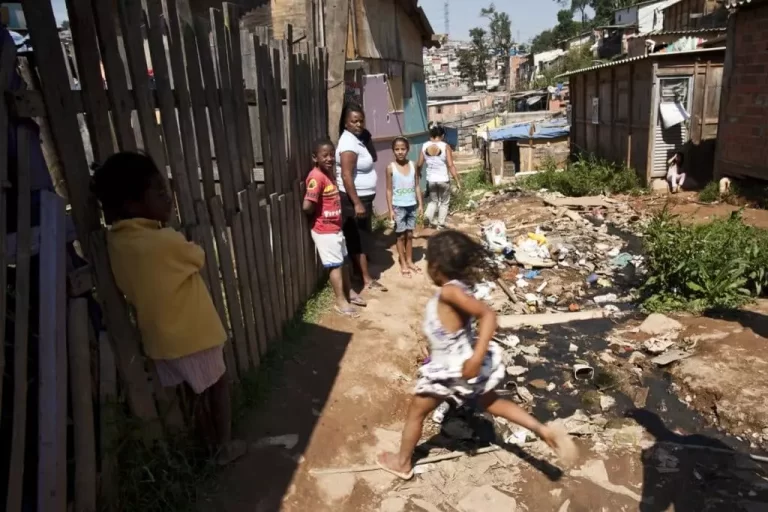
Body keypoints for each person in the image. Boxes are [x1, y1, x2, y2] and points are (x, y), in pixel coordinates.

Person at [377, 230, 576, 479]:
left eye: (428, 262)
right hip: (459, 365)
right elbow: (454, 328)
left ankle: (402, 462)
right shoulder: (460, 289)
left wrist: (476, 357)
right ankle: (541, 429)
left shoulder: (450, 292)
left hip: (449, 370)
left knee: (416, 414)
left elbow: (489, 316)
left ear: (437, 266)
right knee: (492, 403)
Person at [91, 151, 245, 465]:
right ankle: (223, 446)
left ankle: (205, 442)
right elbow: (198, 257)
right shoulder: (164, 240)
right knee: (218, 385)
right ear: (134, 204)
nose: (168, 197)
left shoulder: (117, 244)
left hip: (161, 342)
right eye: (160, 192)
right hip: (194, 335)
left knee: (193, 392)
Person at [303, 138, 367, 317]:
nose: (330, 158)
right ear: (315, 157)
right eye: (325, 155)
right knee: (335, 265)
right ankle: (340, 301)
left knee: (344, 261)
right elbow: (307, 206)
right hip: (325, 230)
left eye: (332, 155)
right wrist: (319, 217)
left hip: (336, 228)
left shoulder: (328, 174)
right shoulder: (316, 177)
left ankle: (348, 293)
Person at [337, 103, 387, 291]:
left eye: (361, 121)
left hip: (363, 198)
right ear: (345, 123)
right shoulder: (348, 143)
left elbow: (370, 159)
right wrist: (357, 203)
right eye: (354, 121)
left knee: (361, 238)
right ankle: (366, 279)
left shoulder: (358, 140)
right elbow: (346, 175)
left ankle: (361, 275)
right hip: (354, 201)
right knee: (359, 239)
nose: (358, 124)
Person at [386, 136, 423, 277]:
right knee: (400, 236)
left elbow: (417, 186)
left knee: (410, 234)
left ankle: (409, 260)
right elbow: (389, 190)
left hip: (411, 205)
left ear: (407, 149)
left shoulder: (413, 165)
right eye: (397, 149)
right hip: (398, 206)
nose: (400, 152)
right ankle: (403, 262)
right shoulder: (390, 168)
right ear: (393, 151)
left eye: (403, 149)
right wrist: (390, 210)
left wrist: (420, 204)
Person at [417, 122, 461, 230]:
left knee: (433, 201)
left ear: (430, 135)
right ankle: (440, 224)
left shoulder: (424, 146)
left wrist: (419, 173)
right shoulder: (446, 146)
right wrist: (457, 180)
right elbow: (450, 165)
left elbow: (419, 164)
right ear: (442, 136)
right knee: (444, 202)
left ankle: (427, 216)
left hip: (431, 181)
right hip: (443, 180)